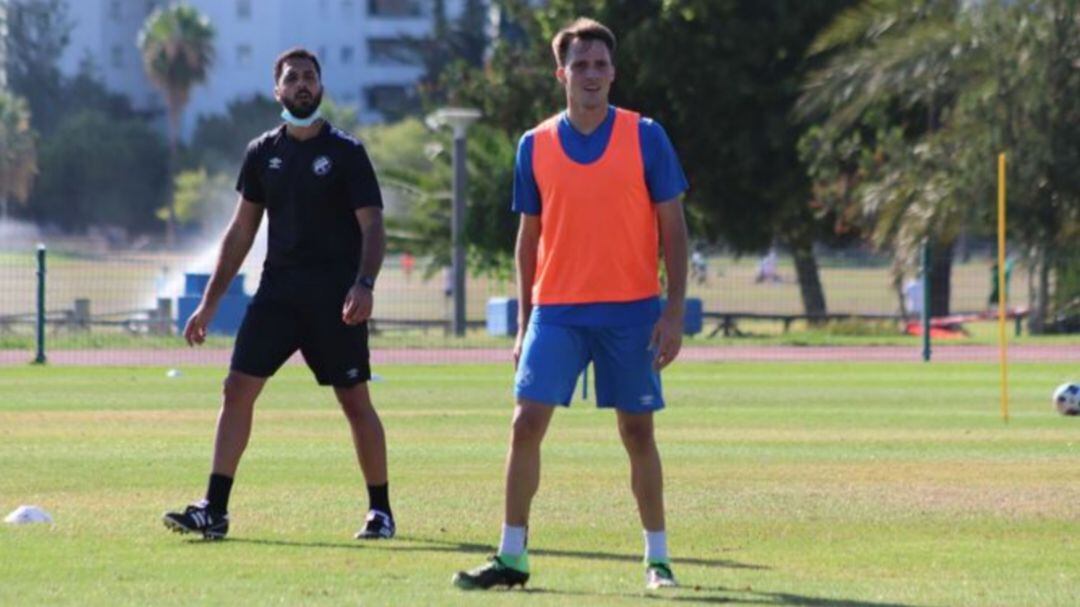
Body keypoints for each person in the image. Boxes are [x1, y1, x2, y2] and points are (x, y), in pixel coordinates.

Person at [452, 18, 689, 591]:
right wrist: (525, 318)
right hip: (556, 312)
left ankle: (657, 560)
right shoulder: (534, 144)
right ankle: (512, 557)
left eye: (600, 65)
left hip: (631, 311)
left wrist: (673, 311)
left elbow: (674, 229)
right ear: (561, 73)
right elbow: (528, 238)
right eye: (579, 65)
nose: (590, 74)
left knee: (638, 434)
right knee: (524, 424)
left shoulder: (646, 135)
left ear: (613, 73)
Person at [162, 48, 394, 541]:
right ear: (278, 91)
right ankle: (215, 508)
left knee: (354, 401)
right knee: (235, 390)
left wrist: (364, 283)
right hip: (278, 295)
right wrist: (210, 303)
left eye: (311, 76)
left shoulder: (347, 152)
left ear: (322, 87)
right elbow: (241, 231)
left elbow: (373, 227)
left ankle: (380, 511)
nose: (303, 85)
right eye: (293, 79)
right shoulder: (262, 151)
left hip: (336, 298)